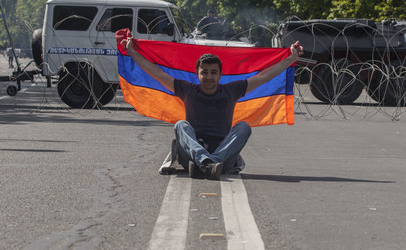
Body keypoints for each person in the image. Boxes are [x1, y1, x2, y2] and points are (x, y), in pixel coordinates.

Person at [121, 37, 303, 180]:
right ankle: (206, 162)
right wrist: (132, 52)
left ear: (220, 75)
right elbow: (156, 73)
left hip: (223, 155)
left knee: (244, 127)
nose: (209, 77)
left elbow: (264, 76)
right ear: (197, 74)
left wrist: (292, 58)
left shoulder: (232, 91)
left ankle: (208, 164)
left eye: (213, 72)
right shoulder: (187, 90)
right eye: (204, 72)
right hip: (190, 155)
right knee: (180, 125)